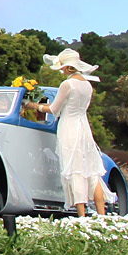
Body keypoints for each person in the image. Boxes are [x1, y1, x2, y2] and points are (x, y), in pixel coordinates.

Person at [46, 51, 107, 215]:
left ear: (68, 67)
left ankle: (82, 214)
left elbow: (53, 109)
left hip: (70, 127)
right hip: (84, 127)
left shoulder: (68, 84)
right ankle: (102, 213)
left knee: (75, 168)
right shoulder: (87, 85)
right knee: (91, 170)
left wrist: (33, 106)